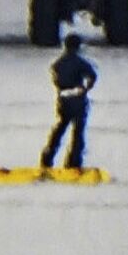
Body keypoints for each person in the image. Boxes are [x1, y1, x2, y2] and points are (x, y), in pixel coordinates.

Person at [41, 33, 98, 170]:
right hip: (77, 100)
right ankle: (73, 162)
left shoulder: (58, 63)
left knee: (60, 129)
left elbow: (55, 77)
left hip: (63, 100)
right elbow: (92, 75)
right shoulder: (80, 62)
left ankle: (47, 157)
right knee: (78, 132)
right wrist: (86, 88)